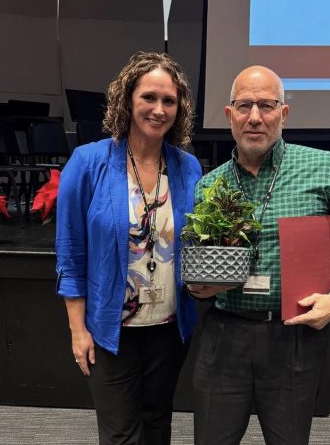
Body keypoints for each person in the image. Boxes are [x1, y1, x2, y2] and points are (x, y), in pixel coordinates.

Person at [187, 65, 330, 445]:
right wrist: (196, 287)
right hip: (225, 334)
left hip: (293, 338)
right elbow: (196, 256)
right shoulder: (210, 184)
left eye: (267, 105)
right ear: (229, 115)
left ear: (284, 114)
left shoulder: (324, 168)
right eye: (244, 106)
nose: (254, 117)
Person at [55, 51, 202, 445]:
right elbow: (71, 255)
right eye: (149, 97)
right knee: (121, 433)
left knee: (157, 423)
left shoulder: (188, 168)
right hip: (110, 327)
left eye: (169, 101)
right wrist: (77, 331)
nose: (159, 109)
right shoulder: (88, 163)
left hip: (170, 328)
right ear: (127, 100)